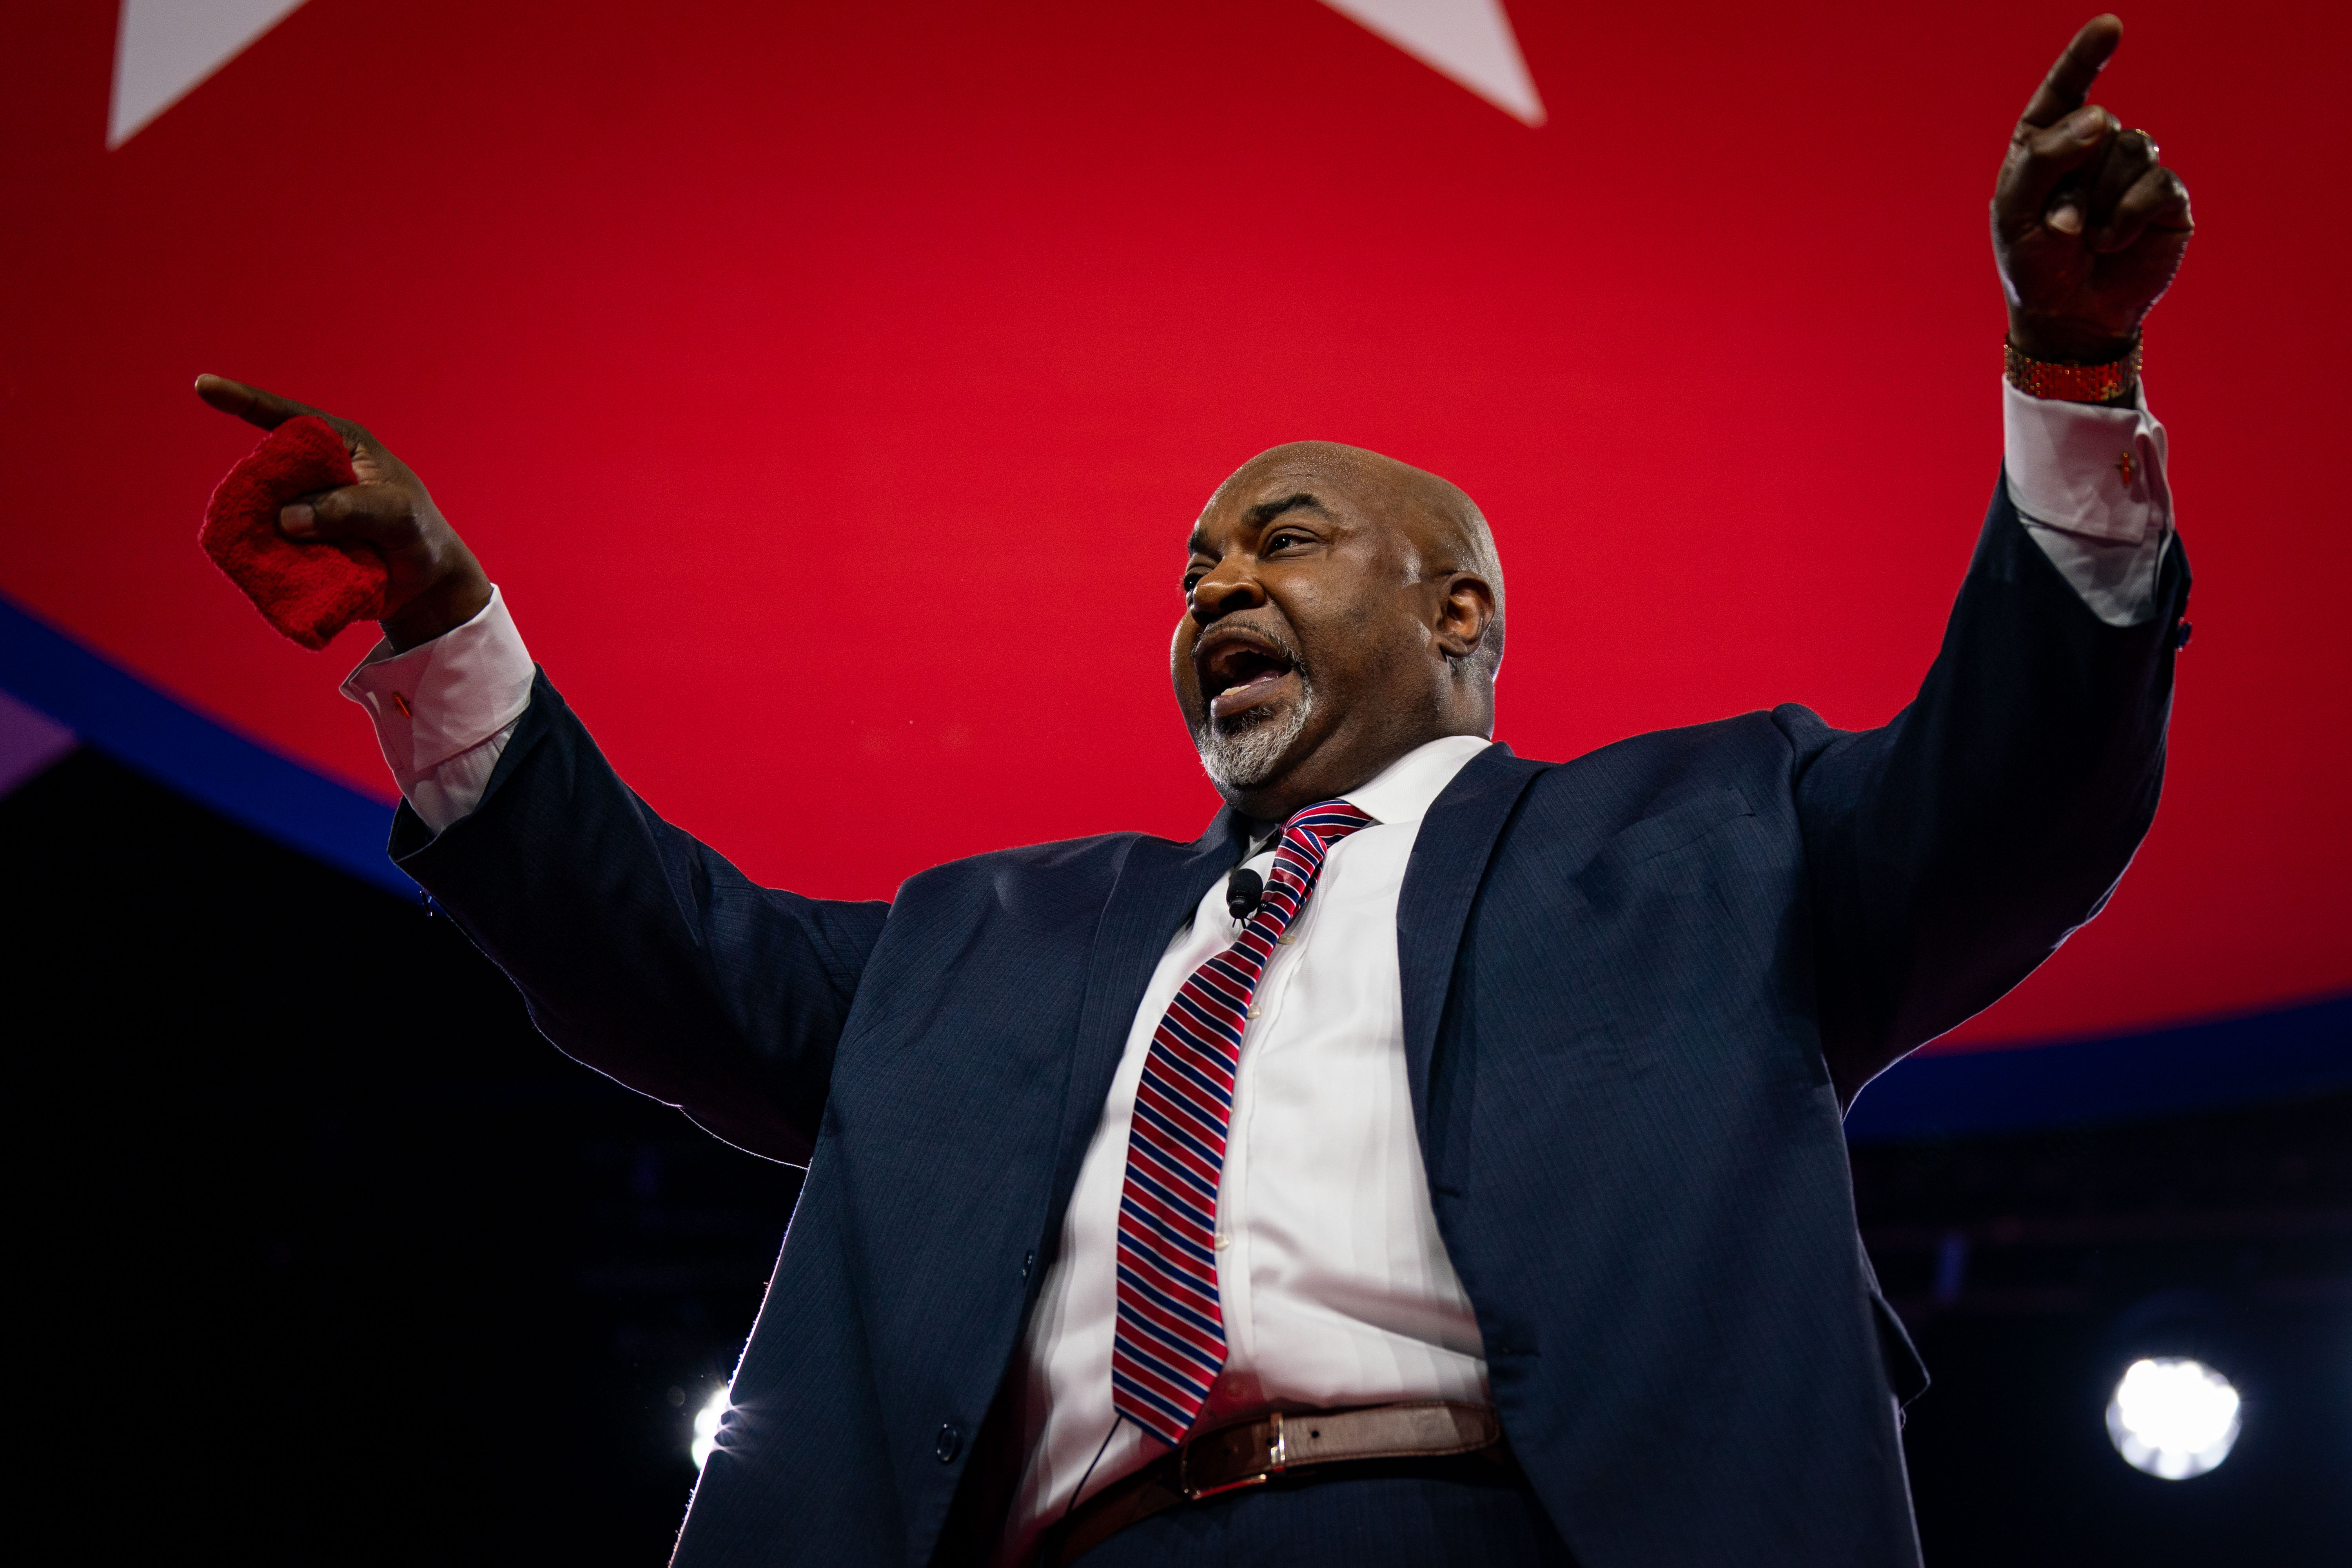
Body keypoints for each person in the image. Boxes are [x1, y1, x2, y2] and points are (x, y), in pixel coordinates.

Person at [194, 15, 2191, 1566]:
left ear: (1462, 610)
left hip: (1517, 1526)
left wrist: (2067, 366)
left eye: (1286, 541)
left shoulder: (1707, 842)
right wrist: (445, 627)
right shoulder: (988, 943)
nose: (1221, 584)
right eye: (1193, 573)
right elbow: (662, 952)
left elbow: (2017, 787)